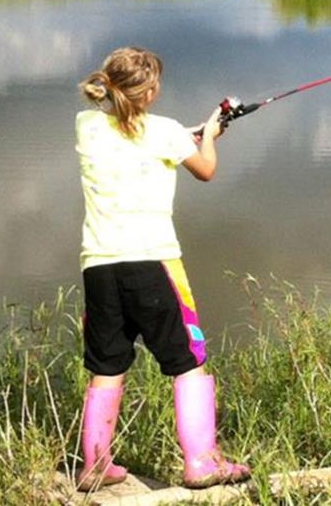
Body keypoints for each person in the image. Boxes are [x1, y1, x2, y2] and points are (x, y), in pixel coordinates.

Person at [73, 46, 250, 491]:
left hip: (99, 267)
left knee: (107, 363)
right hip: (153, 263)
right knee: (187, 360)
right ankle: (201, 462)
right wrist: (208, 137)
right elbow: (204, 169)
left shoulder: (88, 126)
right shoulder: (166, 133)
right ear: (151, 91)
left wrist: (188, 135)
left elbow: (136, 137)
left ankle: (94, 466)